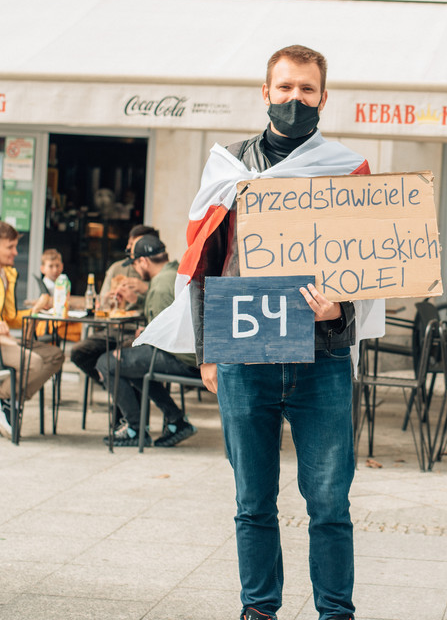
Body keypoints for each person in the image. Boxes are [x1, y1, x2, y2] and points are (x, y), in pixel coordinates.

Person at [176, 44, 381, 620]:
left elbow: (369, 266)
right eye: (285, 88)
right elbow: (201, 264)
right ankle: (259, 610)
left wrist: (338, 307)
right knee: (251, 503)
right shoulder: (228, 168)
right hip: (244, 353)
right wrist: (206, 354)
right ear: (265, 92)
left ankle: (335, 613)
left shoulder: (347, 169)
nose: (296, 99)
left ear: (323, 97)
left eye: (307, 90)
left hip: (324, 360)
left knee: (329, 504)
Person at [94, 235, 197, 447]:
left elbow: (162, 337)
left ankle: (134, 428)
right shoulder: (173, 272)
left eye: (134, 262)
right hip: (192, 355)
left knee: (107, 362)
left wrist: (143, 335)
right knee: (132, 363)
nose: (134, 268)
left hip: (183, 359)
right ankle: (176, 420)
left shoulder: (159, 286)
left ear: (144, 261)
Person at [0, 222, 65, 437]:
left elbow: (10, 317)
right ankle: (7, 401)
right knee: (34, 362)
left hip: (6, 338)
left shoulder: (6, 275)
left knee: (55, 355)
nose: (15, 252)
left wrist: (36, 309)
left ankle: (8, 398)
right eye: (10, 247)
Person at [69, 225, 156, 386]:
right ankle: (111, 386)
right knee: (78, 352)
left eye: (135, 245)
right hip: (114, 329)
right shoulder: (117, 269)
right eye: (130, 244)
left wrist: (137, 298)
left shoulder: (157, 274)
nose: (129, 248)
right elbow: (100, 304)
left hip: (140, 331)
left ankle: (122, 398)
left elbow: (162, 312)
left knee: (116, 358)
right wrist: (109, 300)